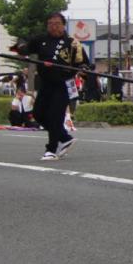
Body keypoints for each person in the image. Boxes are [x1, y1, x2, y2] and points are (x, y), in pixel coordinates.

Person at [15, 12, 89, 161]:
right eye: (50, 23)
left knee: (55, 116)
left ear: (63, 25)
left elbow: (83, 63)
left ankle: (51, 149)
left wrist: (82, 69)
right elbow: (24, 49)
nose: (53, 26)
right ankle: (65, 137)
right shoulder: (41, 40)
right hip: (45, 83)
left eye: (57, 23)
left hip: (63, 84)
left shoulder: (72, 43)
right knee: (38, 114)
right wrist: (21, 48)